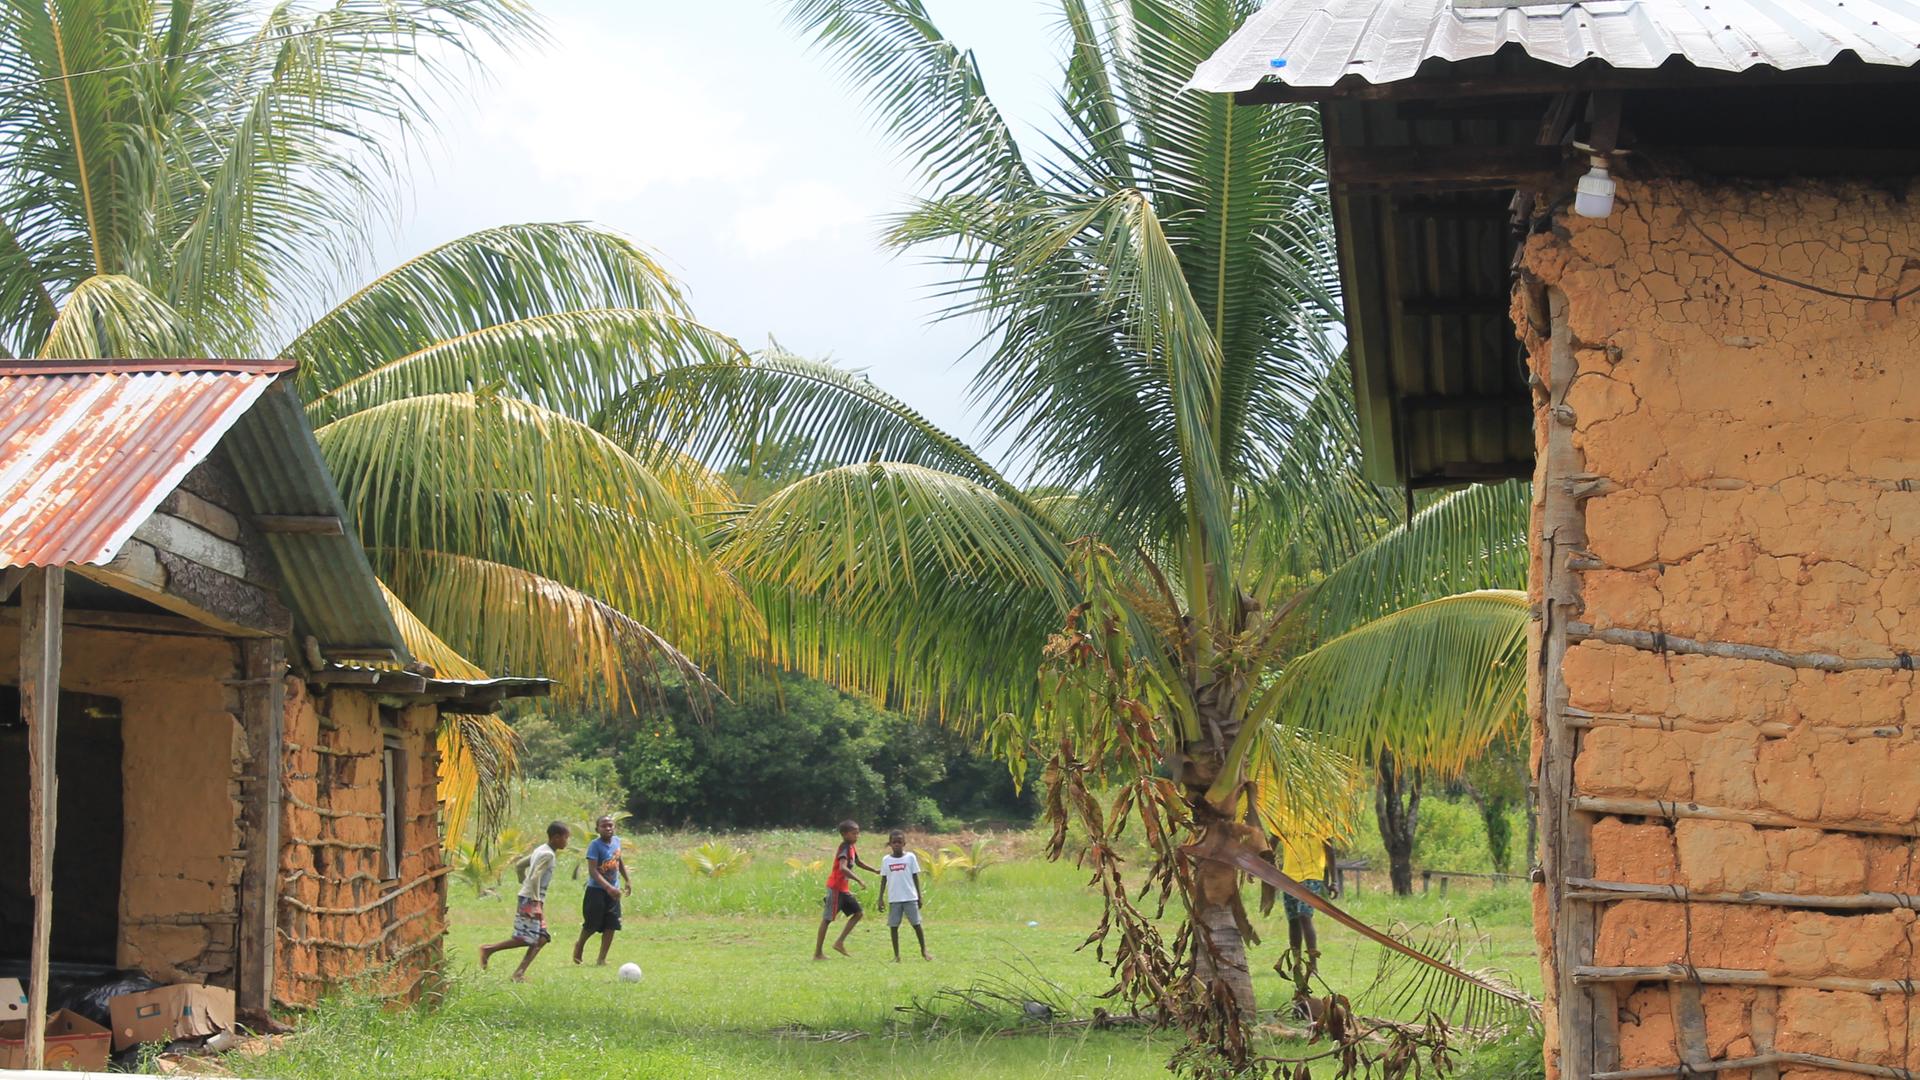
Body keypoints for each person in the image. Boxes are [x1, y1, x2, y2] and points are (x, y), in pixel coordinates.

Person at [480, 821, 570, 981]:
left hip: (529, 896)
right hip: (531, 900)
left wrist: (523, 881)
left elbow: (520, 865)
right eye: (565, 838)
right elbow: (535, 876)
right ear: (556, 838)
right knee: (527, 938)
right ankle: (488, 950)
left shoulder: (541, 849)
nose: (566, 842)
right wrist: (535, 901)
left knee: (542, 937)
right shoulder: (548, 854)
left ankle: (519, 973)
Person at [813, 819, 878, 959]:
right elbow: (842, 868)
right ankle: (818, 953)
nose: (857, 836)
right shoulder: (844, 848)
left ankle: (839, 942)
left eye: (858, 833)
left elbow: (858, 862)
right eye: (854, 833)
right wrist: (859, 879)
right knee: (827, 919)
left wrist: (875, 870)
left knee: (858, 913)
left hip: (843, 889)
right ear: (845, 834)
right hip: (836, 888)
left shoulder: (851, 847)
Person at [1276, 832, 1337, 979]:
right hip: (1288, 876)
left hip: (1312, 875)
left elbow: (1329, 849)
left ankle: (1313, 964)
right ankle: (1297, 964)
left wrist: (1334, 881)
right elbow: (1270, 842)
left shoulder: (1320, 820)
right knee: (1293, 920)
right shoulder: (1284, 816)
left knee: (1304, 915)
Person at [574, 814, 631, 965]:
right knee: (592, 924)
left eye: (610, 825)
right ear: (597, 829)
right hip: (597, 891)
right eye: (604, 826)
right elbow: (593, 871)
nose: (608, 828)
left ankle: (601, 958)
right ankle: (579, 944)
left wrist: (627, 880)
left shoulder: (617, 841)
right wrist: (608, 887)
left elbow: (619, 861)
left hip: (614, 892)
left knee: (612, 924)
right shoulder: (595, 845)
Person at [878, 830, 930, 962]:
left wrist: (919, 896)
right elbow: (884, 879)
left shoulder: (910, 857)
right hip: (894, 899)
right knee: (893, 926)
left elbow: (915, 877)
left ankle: (924, 951)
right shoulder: (886, 860)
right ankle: (896, 955)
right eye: (894, 842)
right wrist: (880, 898)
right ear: (890, 844)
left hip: (910, 897)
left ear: (904, 843)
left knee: (916, 924)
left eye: (899, 842)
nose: (896, 845)